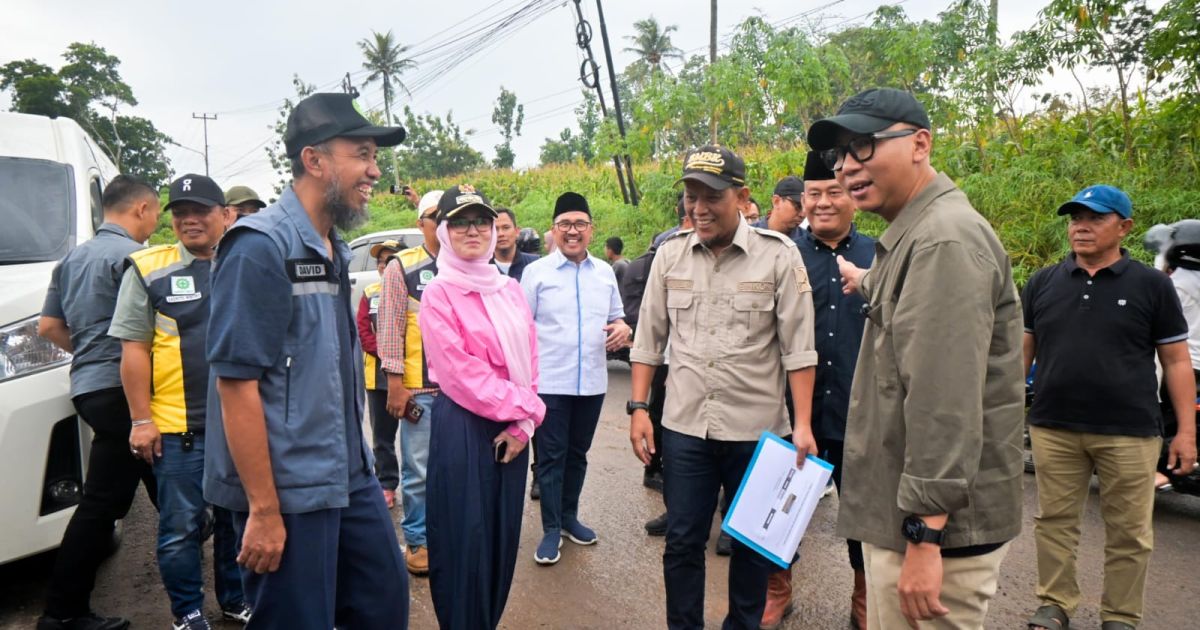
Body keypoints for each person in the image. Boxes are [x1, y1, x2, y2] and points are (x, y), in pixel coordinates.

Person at [812, 88, 1024, 629]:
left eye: (863, 147)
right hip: (911, 519)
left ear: (920, 144)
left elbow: (943, 400)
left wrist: (926, 536)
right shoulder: (916, 235)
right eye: (840, 156)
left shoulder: (942, 241)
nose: (846, 168)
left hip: (934, 532)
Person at [203, 92, 409, 629]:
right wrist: (264, 511)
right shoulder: (260, 248)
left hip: (348, 471)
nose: (374, 168)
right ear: (314, 160)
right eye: (361, 153)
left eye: (374, 155)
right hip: (289, 488)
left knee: (382, 605)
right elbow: (235, 386)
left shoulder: (333, 248)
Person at [628, 145, 818, 629]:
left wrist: (803, 426)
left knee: (752, 546)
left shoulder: (779, 255)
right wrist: (638, 408)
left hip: (756, 433)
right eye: (692, 196)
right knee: (684, 541)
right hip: (687, 429)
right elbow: (649, 339)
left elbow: (799, 348)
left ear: (742, 196)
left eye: (711, 196)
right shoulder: (670, 255)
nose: (699, 208)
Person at [1021, 186, 1197, 630]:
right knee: (1054, 522)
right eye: (1075, 217)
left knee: (1130, 533)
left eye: (1095, 218)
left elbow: (1176, 361)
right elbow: (1021, 356)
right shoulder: (1043, 282)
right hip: (1053, 426)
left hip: (1130, 430)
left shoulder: (1152, 285)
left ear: (1124, 227)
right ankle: (1054, 603)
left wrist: (1186, 432)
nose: (1080, 226)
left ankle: (1120, 616)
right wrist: (1004, 415)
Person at [108, 174, 249, 630]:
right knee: (180, 530)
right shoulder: (149, 269)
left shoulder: (245, 263)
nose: (189, 219)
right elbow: (134, 350)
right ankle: (187, 613)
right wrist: (140, 420)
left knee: (236, 523)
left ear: (225, 215)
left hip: (240, 425)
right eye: (179, 211)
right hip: (178, 430)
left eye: (201, 210)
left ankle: (235, 599)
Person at [36, 175, 162, 630]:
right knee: (105, 502)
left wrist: (91, 352)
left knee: (151, 482)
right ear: (142, 209)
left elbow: (49, 327)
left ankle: (63, 610)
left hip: (89, 387)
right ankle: (63, 614)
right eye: (157, 212)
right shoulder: (137, 258)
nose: (156, 222)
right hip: (127, 391)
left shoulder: (70, 260)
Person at [418, 184, 546, 629]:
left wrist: (523, 424)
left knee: (500, 537)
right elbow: (460, 375)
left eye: (481, 221)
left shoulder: (508, 290)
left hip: (513, 430)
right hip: (466, 429)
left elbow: (530, 358)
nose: (472, 230)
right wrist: (529, 409)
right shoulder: (439, 293)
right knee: (463, 541)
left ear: (494, 230)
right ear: (444, 231)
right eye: (460, 222)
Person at [761, 152, 877, 629]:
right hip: (791, 411)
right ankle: (776, 587)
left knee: (865, 512)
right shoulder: (781, 253)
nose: (824, 203)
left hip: (860, 408)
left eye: (835, 191)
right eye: (814, 194)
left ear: (853, 197)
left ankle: (865, 595)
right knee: (777, 506)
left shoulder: (879, 254)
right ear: (801, 200)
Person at [521, 192, 630, 565]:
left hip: (593, 382)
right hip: (550, 382)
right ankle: (551, 529)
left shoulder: (604, 272)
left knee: (578, 455)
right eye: (565, 224)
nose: (572, 231)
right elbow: (521, 330)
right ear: (554, 229)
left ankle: (569, 518)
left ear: (591, 230)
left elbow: (618, 317)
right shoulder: (536, 274)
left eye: (579, 224)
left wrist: (622, 329)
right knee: (551, 458)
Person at [377, 191, 442, 576]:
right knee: (419, 470)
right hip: (421, 391)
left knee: (457, 468)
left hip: (462, 392)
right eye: (434, 216)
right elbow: (389, 328)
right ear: (421, 224)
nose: (443, 222)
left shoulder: (469, 262)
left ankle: (448, 534)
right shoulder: (404, 267)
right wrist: (396, 385)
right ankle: (418, 540)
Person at [357, 239, 402, 508]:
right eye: (380, 262)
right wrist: (388, 352)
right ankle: (386, 483)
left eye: (390, 260)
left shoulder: (412, 288)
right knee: (383, 436)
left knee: (415, 438)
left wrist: (400, 356)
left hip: (412, 376)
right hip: (378, 376)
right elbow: (363, 332)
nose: (384, 266)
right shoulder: (369, 292)